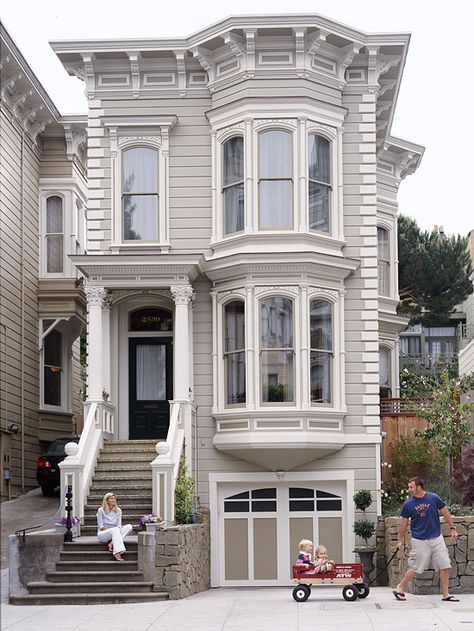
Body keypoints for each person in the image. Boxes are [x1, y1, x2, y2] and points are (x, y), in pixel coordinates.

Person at [392, 477, 459, 602]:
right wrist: (400, 540)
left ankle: (446, 594)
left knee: (445, 564)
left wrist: (453, 528)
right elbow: (403, 522)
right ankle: (400, 587)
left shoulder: (433, 498)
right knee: (417, 567)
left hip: (436, 537)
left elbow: (445, 511)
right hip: (419, 540)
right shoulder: (408, 504)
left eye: (411, 487)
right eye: (409, 487)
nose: (409, 489)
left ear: (419, 487)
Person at [96, 492, 133, 561]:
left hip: (115, 532)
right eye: (111, 498)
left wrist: (115, 531)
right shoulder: (100, 510)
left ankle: (112, 543)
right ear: (106, 501)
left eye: (114, 498)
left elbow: (119, 525)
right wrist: (112, 530)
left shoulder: (118, 510)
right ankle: (117, 552)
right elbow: (101, 526)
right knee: (115, 529)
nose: (114, 500)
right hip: (103, 533)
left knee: (129, 527)